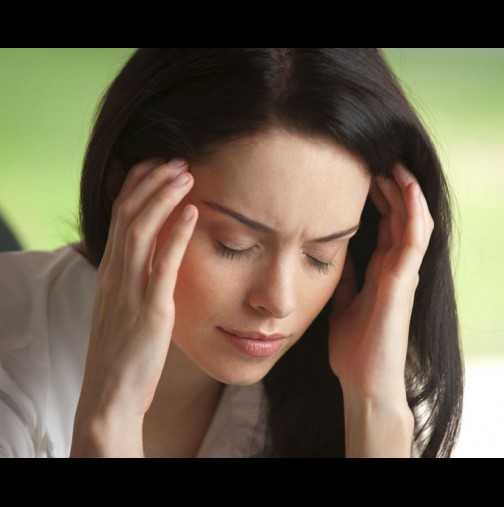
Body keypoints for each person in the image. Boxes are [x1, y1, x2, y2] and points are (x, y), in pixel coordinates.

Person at [0, 48, 463, 458]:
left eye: (321, 255)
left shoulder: (340, 378)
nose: (278, 301)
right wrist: (110, 418)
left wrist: (375, 405)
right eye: (233, 245)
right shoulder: (14, 357)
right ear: (129, 193)